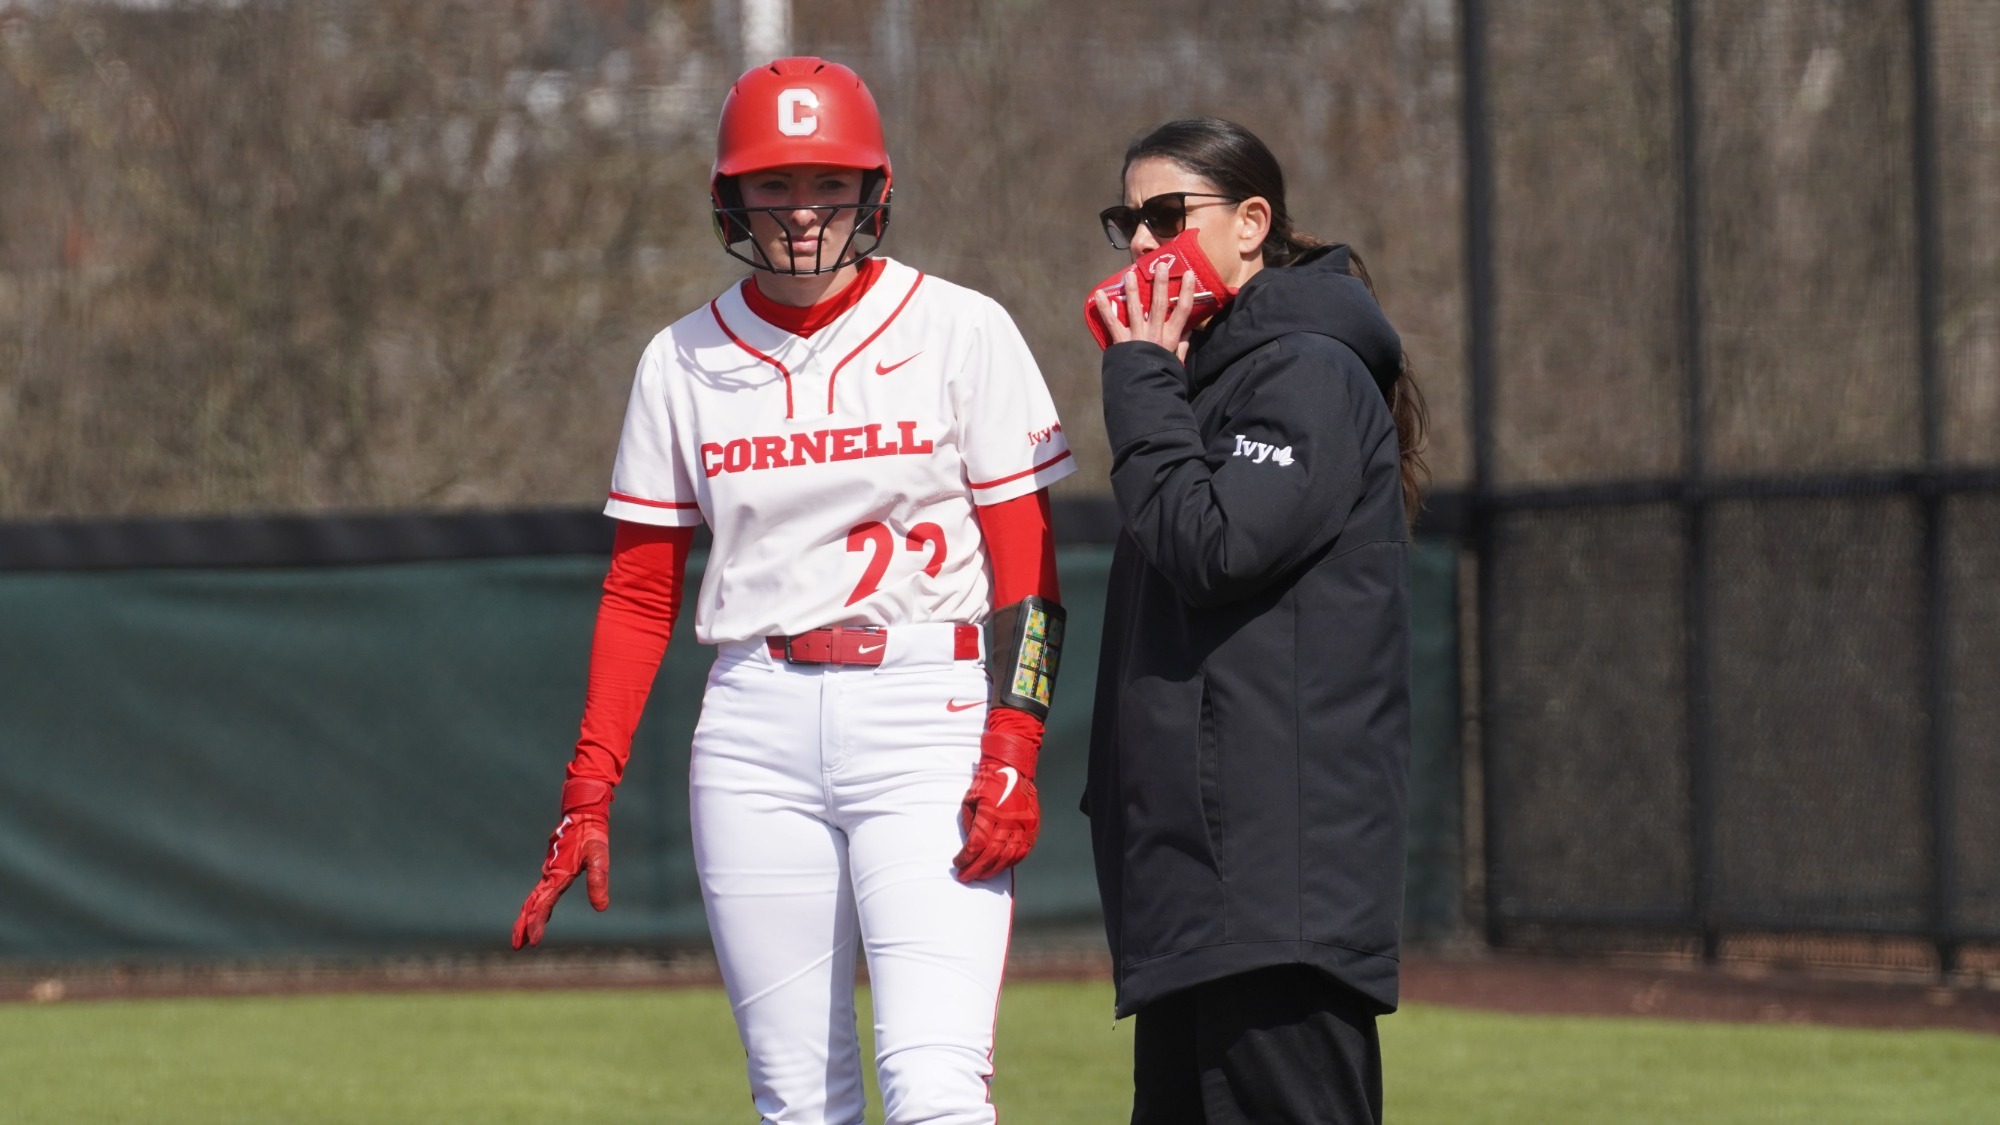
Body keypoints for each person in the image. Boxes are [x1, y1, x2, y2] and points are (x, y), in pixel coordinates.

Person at [509, 57, 1076, 1125]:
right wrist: (589, 789)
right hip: (753, 723)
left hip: (928, 710)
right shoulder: (677, 360)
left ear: (875, 189)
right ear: (729, 197)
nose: (802, 208)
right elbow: (638, 595)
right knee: (795, 1103)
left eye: (828, 181)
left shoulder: (959, 327)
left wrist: (1014, 740)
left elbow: (1029, 568)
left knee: (933, 1085)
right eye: (772, 184)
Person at [1083, 117, 1429, 1125]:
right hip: (1203, 890)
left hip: (1272, 890)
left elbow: (1215, 545)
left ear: (1250, 223)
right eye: (1124, 221)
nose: (1141, 245)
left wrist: (1139, 374)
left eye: (1164, 215)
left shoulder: (1305, 371)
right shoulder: (1217, 376)